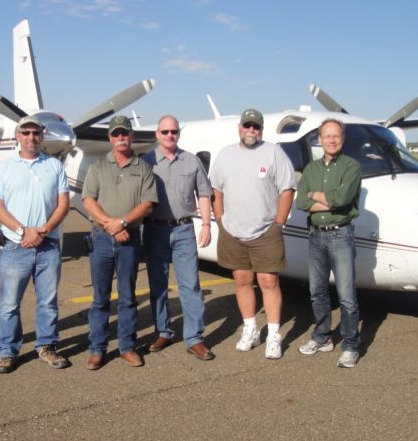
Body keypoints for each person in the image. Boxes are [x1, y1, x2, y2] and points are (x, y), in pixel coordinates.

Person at [210, 108, 296, 359]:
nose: (251, 130)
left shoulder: (273, 153)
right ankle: (250, 329)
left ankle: (274, 335)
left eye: (255, 127)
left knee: (269, 282)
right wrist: (220, 220)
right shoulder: (225, 154)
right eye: (247, 126)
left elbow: (287, 189)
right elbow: (216, 190)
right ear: (239, 127)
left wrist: (278, 223)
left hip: (266, 231)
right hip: (232, 231)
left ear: (261, 130)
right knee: (242, 280)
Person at [0, 115, 70, 374]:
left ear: (42, 136)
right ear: (17, 136)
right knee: (10, 303)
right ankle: (7, 351)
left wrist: (43, 230)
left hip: (48, 246)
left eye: (36, 133)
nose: (31, 137)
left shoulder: (55, 166)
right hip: (15, 246)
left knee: (48, 301)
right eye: (26, 133)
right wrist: (23, 231)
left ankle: (46, 346)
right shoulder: (4, 168)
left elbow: (63, 204)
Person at [82, 115, 158, 370]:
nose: (120, 137)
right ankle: (97, 348)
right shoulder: (98, 168)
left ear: (131, 136)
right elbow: (88, 200)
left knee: (127, 296)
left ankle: (126, 346)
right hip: (102, 238)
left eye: (124, 133)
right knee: (100, 298)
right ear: (110, 138)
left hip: (129, 238)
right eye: (116, 134)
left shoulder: (143, 167)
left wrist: (123, 223)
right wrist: (111, 225)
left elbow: (147, 203)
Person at [142, 115, 215, 361]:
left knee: (190, 285)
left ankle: (194, 338)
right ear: (157, 134)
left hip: (184, 229)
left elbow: (204, 194)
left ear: (178, 134)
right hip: (155, 230)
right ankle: (163, 331)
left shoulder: (191, 161)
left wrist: (206, 225)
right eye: (165, 132)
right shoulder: (146, 161)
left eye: (174, 131)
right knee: (158, 285)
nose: (170, 135)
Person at [296, 118, 362, 368]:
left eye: (336, 136)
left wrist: (317, 195)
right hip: (315, 235)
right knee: (317, 292)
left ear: (342, 139)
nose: (331, 140)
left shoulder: (351, 167)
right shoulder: (311, 169)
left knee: (346, 296)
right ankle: (322, 337)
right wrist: (326, 199)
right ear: (320, 140)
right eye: (327, 136)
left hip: (341, 235)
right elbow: (301, 201)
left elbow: (344, 198)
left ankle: (350, 344)